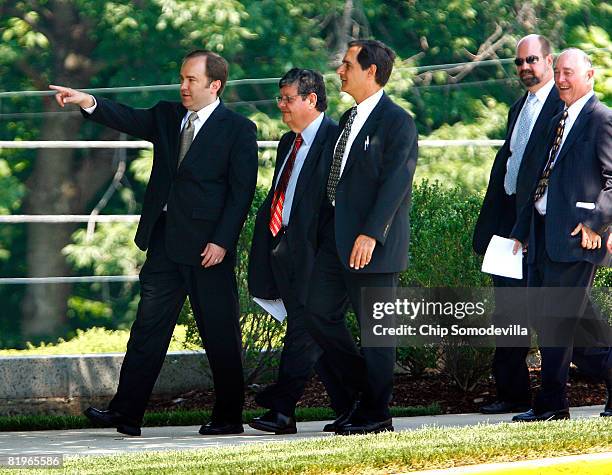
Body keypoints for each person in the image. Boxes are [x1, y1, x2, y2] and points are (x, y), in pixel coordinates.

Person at [49, 50, 258, 436]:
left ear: (215, 85)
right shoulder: (166, 115)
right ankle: (126, 414)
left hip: (208, 251)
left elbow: (241, 192)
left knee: (220, 334)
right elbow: (127, 117)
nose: (183, 86)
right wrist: (88, 102)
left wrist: (222, 242)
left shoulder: (238, 128)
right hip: (164, 243)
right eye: (181, 78)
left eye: (191, 80)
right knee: (147, 329)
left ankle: (229, 418)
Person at [304, 39, 418, 435]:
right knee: (316, 312)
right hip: (335, 243)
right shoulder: (348, 120)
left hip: (373, 247)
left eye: (348, 64)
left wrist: (371, 234)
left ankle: (376, 415)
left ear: (371, 71)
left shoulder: (397, 121)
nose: (340, 70)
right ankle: (361, 397)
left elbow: (397, 183)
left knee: (377, 334)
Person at [510, 48, 612, 421]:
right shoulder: (557, 118)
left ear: (590, 75)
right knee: (578, 327)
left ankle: (552, 405)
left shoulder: (601, 120)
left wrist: (595, 224)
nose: (562, 79)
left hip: (575, 237)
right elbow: (541, 179)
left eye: (569, 72)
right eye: (558, 72)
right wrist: (522, 230)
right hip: (541, 235)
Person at [472, 35, 563, 414]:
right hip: (507, 219)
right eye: (520, 62)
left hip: (540, 223)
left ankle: (556, 396)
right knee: (507, 308)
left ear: (549, 60)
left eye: (532, 60)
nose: (525, 68)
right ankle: (512, 393)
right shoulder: (517, 108)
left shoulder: (563, 107)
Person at [246, 68, 339, 434]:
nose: (281, 105)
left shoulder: (334, 140)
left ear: (311, 99)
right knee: (317, 335)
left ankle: (281, 406)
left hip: (317, 256)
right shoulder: (289, 141)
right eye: (280, 98)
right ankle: (353, 406)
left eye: (288, 98)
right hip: (283, 251)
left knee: (306, 328)